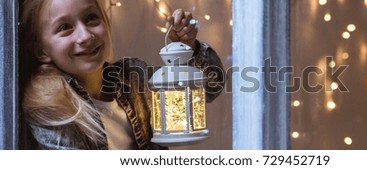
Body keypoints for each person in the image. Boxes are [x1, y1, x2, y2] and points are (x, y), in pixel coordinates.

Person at [19, 0, 225, 150]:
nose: (85, 36)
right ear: (41, 51)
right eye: (65, 28)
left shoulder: (132, 78)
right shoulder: (50, 108)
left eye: (91, 18)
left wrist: (188, 50)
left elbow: (211, 87)